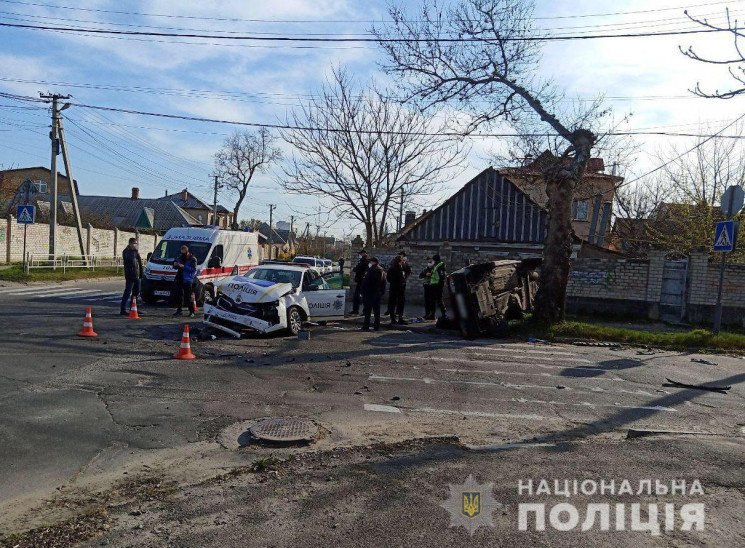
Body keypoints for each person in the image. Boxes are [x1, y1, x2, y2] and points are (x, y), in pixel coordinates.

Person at [361, 257, 386, 331]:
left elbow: (366, 282)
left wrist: (362, 291)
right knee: (376, 311)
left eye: (370, 262)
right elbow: (384, 283)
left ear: (373, 262)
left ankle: (366, 325)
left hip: (369, 292)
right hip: (377, 292)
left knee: (367, 310)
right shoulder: (381, 271)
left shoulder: (371, 270)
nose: (369, 263)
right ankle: (376, 326)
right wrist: (382, 292)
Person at [120, 237, 143, 316]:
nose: (136, 245)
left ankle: (133, 307)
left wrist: (141, 273)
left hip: (137, 275)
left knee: (136, 292)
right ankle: (122, 309)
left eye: (136, 244)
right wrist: (133, 251)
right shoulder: (126, 252)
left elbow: (139, 263)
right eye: (134, 244)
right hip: (130, 275)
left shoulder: (136, 252)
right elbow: (129, 259)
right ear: (130, 244)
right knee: (127, 292)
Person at [173, 245, 198, 317]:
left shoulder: (192, 259)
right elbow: (176, 265)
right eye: (181, 252)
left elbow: (193, 269)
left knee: (188, 296)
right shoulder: (180, 257)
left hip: (187, 279)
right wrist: (175, 264)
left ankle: (191, 311)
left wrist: (184, 266)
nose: (182, 253)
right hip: (179, 278)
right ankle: (179, 310)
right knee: (179, 295)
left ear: (187, 251)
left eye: (184, 252)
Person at [387, 255, 407, 325]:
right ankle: (399, 318)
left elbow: (388, 278)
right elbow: (402, 279)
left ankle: (393, 319)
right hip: (399, 289)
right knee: (400, 304)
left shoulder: (392, 268)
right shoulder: (399, 269)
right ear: (400, 261)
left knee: (393, 303)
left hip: (393, 288)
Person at [428, 254, 448, 320]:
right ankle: (432, 315)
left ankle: (444, 315)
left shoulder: (440, 265)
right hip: (434, 285)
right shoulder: (436, 265)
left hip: (437, 285)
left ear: (434, 259)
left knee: (439, 300)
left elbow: (441, 275)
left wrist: (440, 283)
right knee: (432, 300)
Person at [350, 249, 369, 315]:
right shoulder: (364, 261)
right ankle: (357, 310)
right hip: (362, 281)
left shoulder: (364, 261)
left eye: (360, 254)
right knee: (359, 296)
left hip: (362, 281)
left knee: (359, 296)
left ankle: (358, 310)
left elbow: (358, 268)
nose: (359, 255)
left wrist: (354, 269)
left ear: (363, 254)